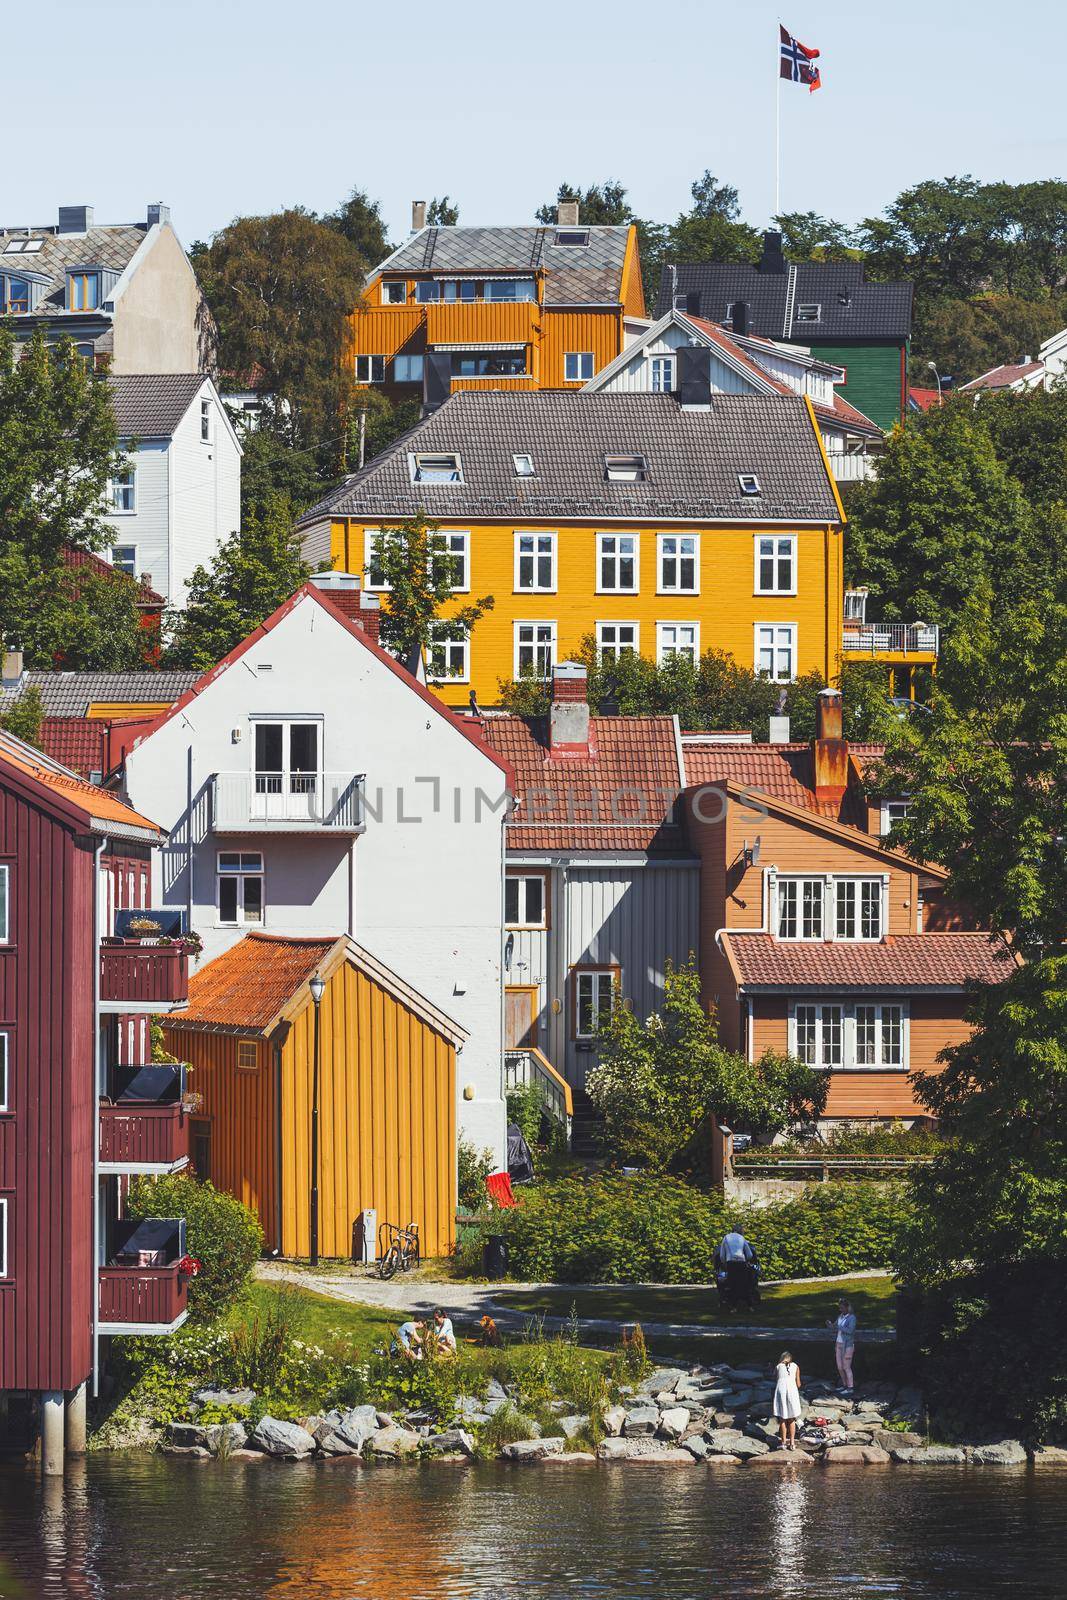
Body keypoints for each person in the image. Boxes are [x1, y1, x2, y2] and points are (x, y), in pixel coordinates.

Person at [773, 1350, 803, 1450]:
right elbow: (798, 1384)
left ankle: (783, 1443)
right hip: (792, 1392)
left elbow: (776, 1379)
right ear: (791, 1359)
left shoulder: (777, 1367)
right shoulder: (796, 1366)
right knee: (792, 1418)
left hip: (781, 1391)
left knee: (782, 1418)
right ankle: (792, 1443)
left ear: (782, 1359)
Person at [827, 1299, 857, 1393]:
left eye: (842, 1308)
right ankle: (844, 1385)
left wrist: (839, 1327)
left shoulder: (852, 1318)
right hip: (838, 1344)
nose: (841, 1310)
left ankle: (850, 1387)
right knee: (840, 1367)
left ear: (847, 1307)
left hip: (847, 1345)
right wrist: (830, 1325)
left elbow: (850, 1331)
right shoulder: (840, 1316)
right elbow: (834, 1328)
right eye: (840, 1308)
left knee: (846, 1367)